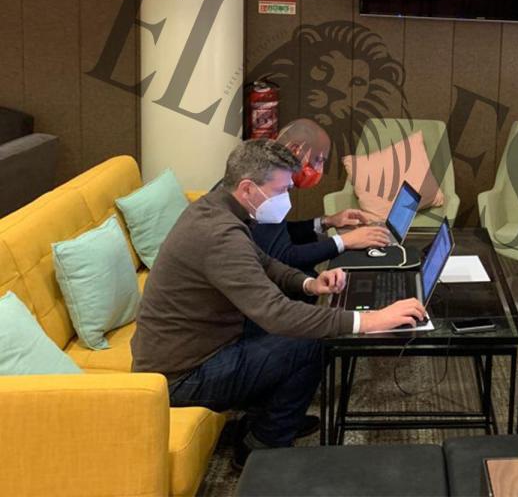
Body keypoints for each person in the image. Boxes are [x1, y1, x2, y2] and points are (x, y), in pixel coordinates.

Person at [131, 139, 426, 467]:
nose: (287, 197)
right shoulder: (220, 235)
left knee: (302, 321)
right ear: (247, 188)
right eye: (282, 189)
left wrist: (309, 283)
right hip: (182, 378)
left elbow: (266, 263)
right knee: (312, 342)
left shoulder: (216, 207)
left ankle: (267, 416)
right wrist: (369, 321)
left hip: (198, 349)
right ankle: (263, 447)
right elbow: (276, 314)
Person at [249, 119, 390, 280]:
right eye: (318, 160)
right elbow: (285, 257)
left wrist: (326, 221)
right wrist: (344, 241)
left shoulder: (265, 171)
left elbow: (280, 233)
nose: (319, 170)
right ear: (295, 150)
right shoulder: (264, 186)